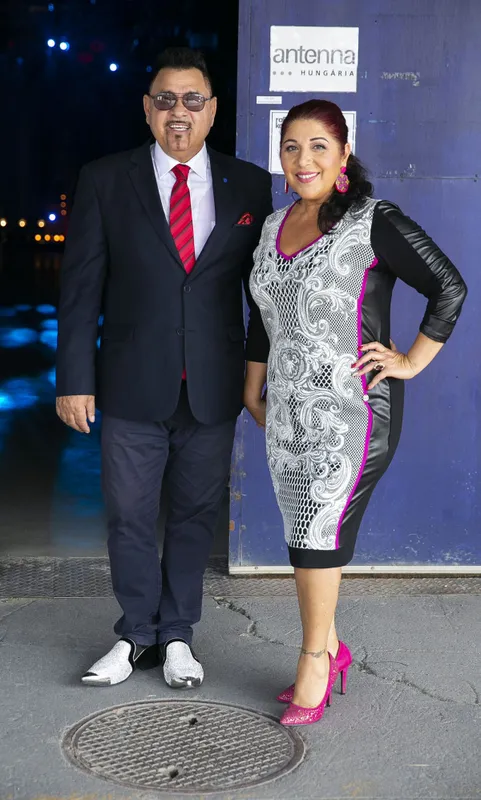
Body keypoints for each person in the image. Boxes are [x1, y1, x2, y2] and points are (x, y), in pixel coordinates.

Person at [244, 100, 467, 726]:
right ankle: (332, 646)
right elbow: (263, 317)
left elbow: (448, 287)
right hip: (286, 411)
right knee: (304, 537)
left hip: (351, 412)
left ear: (344, 154)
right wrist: (252, 387)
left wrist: (411, 361)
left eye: (319, 146)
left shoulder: (374, 221)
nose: (303, 159)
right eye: (291, 146)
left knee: (319, 535)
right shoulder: (273, 225)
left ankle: (315, 659)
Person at [56, 47, 272, 688]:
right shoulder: (105, 179)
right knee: (128, 514)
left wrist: (258, 375)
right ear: (148, 109)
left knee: (195, 515)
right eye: (166, 100)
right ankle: (135, 634)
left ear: (213, 110)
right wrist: (74, 380)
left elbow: (264, 293)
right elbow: (80, 290)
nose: (179, 112)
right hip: (130, 383)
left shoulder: (249, 185)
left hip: (212, 383)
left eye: (192, 100)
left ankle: (177, 634)